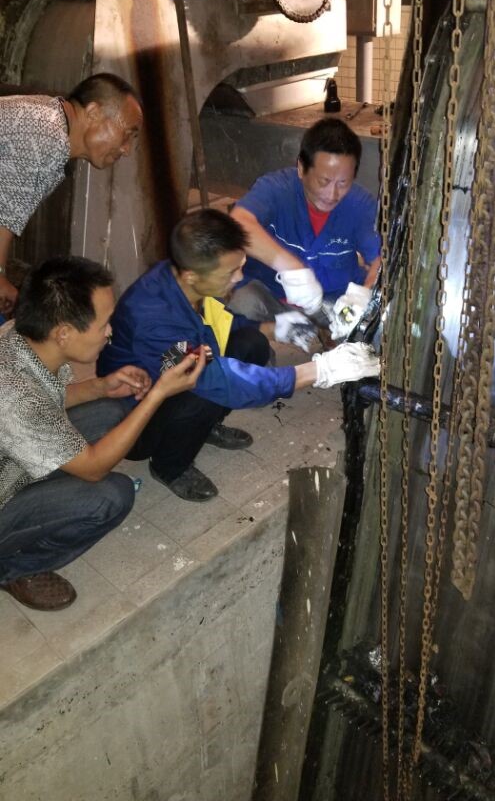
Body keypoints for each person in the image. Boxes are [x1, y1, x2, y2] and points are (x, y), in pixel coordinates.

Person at [98, 209, 380, 503]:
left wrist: (274, 328)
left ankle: (205, 427)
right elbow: (217, 379)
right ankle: (169, 466)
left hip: (179, 372)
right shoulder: (152, 319)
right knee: (203, 391)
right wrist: (319, 370)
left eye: (241, 265)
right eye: (230, 273)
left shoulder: (185, 279)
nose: (239, 277)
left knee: (252, 343)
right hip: (135, 420)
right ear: (193, 275)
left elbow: (213, 325)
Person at [0, 257, 205, 613]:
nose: (110, 332)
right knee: (111, 496)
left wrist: (99, 387)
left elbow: (48, 398)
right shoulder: (15, 397)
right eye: (104, 324)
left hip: (11, 461)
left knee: (110, 412)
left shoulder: (21, 338)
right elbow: (94, 468)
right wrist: (158, 393)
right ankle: (12, 568)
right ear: (64, 333)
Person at [0, 72, 144, 314]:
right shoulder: (47, 132)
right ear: (93, 112)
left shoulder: (51, 124)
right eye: (128, 133)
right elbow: (3, 213)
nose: (127, 149)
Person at [228, 117, 382, 324]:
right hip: (273, 298)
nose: (332, 194)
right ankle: (275, 332)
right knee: (242, 305)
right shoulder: (277, 189)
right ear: (301, 168)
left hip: (332, 303)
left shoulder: (359, 205)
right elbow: (237, 223)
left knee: (371, 325)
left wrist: (363, 296)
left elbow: (381, 259)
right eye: (324, 181)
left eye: (343, 183)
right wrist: (291, 268)